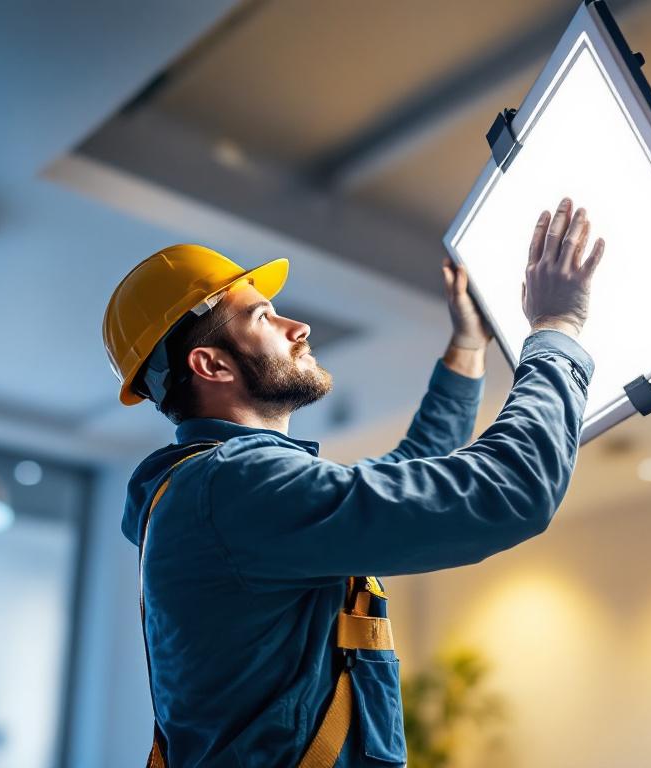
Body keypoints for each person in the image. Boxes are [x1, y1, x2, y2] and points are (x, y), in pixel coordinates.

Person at [101, 197, 605, 767]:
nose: (299, 326)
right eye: (263, 317)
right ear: (211, 365)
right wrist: (557, 330)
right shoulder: (235, 484)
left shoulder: (207, 492)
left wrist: (467, 348)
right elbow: (509, 490)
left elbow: (398, 480)